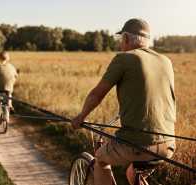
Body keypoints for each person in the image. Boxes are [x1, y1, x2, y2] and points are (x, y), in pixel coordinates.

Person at [71, 18, 176, 185]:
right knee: (132, 173)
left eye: (121, 40)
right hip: (168, 145)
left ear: (126, 38)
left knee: (100, 159)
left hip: (138, 144)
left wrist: (81, 117)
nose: (121, 44)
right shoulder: (166, 61)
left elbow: (97, 95)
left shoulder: (124, 58)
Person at [0, 51, 18, 120]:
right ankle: (10, 105)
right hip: (8, 88)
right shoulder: (11, 66)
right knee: (9, 94)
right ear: (8, 58)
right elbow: (16, 75)